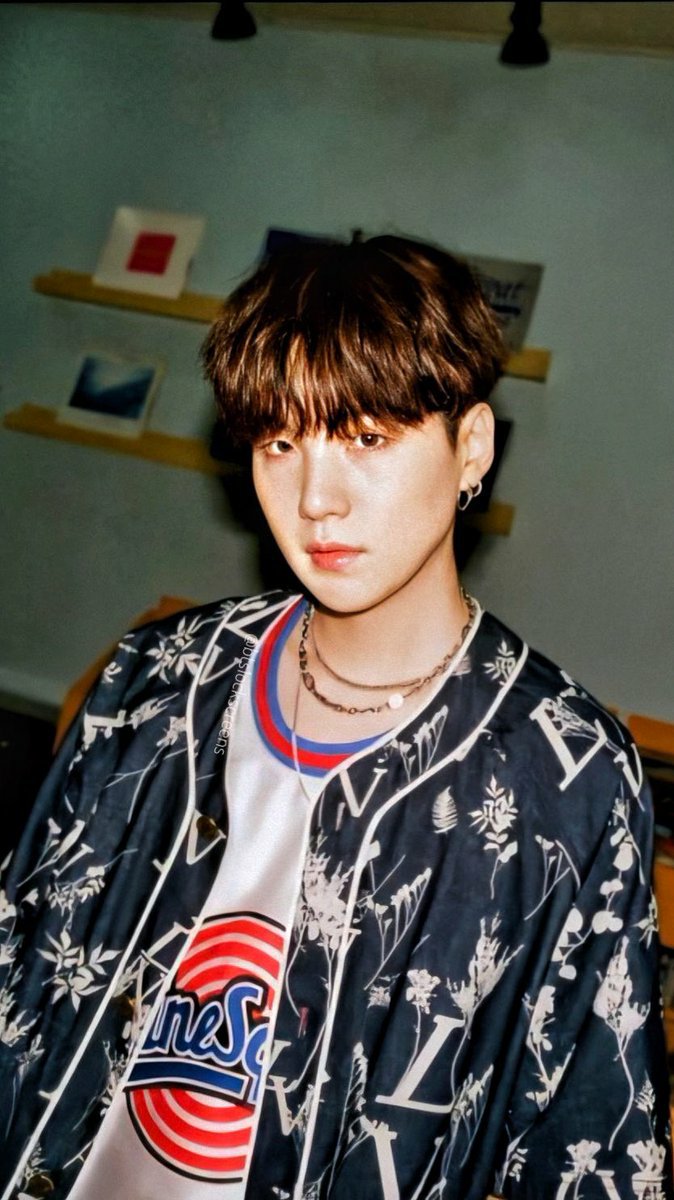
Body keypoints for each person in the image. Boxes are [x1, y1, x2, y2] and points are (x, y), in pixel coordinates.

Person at [0, 234, 671, 1200]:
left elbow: (592, 1150)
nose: (317, 499)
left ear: (472, 447)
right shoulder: (157, 679)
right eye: (280, 444)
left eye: (367, 438)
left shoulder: (565, 776)